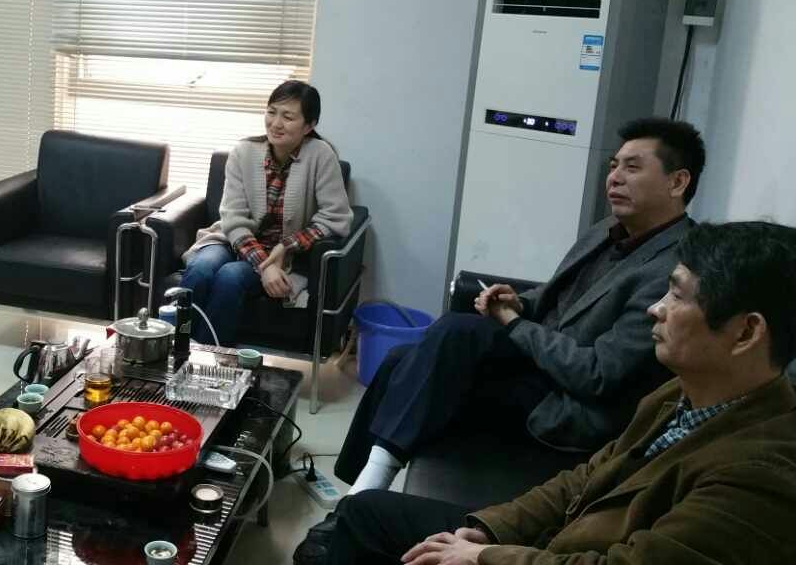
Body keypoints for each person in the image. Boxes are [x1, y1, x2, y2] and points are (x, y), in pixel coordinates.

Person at [325, 221, 796, 564]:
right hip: (554, 540)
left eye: (676, 295)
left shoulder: (758, 476)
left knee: (453, 338)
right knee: (363, 512)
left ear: (745, 333)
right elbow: (585, 478)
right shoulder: (680, 394)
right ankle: (363, 484)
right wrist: (489, 529)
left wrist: (485, 557)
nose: (656, 309)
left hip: (562, 531)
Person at [336, 118, 706, 496]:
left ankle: (365, 491)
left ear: (677, 182)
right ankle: (358, 488)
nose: (614, 178)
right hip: (540, 365)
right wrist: (521, 303)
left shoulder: (673, 269)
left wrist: (514, 323)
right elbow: (559, 294)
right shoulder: (609, 228)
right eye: (613, 166)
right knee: (400, 358)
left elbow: (597, 375)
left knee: (456, 331)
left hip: (570, 401)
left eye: (632, 167)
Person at [179, 80, 352, 346]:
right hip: (232, 241)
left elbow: (335, 217)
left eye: (288, 117)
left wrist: (285, 246)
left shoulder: (321, 156)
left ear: (309, 125)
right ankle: (174, 351)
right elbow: (233, 218)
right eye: (271, 112)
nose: (276, 123)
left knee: (230, 277)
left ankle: (208, 361)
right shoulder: (243, 152)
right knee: (200, 270)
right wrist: (265, 266)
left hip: (285, 256)